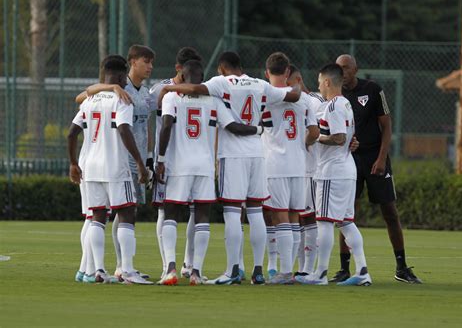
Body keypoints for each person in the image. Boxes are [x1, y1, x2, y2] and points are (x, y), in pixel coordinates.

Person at [159, 51, 301, 285]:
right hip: (258, 153)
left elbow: (194, 89)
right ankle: (258, 271)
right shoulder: (260, 84)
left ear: (222, 68)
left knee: (233, 211)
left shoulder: (220, 83)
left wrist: (168, 89)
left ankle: (233, 269)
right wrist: (296, 87)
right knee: (256, 212)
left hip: (233, 155)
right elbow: (293, 96)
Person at [334, 54, 422, 284]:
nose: (342, 72)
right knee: (346, 213)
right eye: (338, 68)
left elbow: (386, 125)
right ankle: (343, 268)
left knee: (390, 212)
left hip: (375, 157)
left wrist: (382, 158)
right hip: (348, 159)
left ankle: (401, 267)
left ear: (355, 69)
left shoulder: (372, 89)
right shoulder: (333, 94)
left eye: (346, 68)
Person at [67, 55, 152, 285]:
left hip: (90, 167)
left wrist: (74, 163)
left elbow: (72, 133)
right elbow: (124, 130)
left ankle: (98, 271)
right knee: (126, 213)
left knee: (97, 217)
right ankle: (127, 270)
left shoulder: (89, 100)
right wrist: (141, 164)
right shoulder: (121, 99)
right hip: (115, 166)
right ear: (123, 74)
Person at [296, 63, 371, 286]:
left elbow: (338, 138)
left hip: (332, 171)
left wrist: (317, 138)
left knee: (325, 222)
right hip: (346, 170)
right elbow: (345, 138)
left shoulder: (334, 106)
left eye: (320, 81)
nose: (319, 85)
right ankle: (363, 271)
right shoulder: (346, 103)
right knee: (346, 222)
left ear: (327, 82)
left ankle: (320, 274)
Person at [262, 53, 319, 284]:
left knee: (280, 217)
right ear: (287, 72)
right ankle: (294, 270)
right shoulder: (304, 99)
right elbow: (314, 132)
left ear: (267, 73)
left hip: (275, 164)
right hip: (299, 165)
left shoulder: (265, 96)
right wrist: (300, 144)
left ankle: (284, 271)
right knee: (295, 217)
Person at [149, 47, 203, 280]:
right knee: (164, 209)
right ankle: (166, 265)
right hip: (167, 159)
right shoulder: (161, 89)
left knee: (193, 210)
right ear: (178, 69)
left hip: (186, 160)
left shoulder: (199, 89)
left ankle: (188, 264)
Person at [286, 64, 326, 277]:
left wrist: (301, 144)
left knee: (309, 217)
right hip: (294, 168)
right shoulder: (290, 101)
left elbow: (319, 132)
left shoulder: (315, 101)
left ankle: (309, 268)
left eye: (288, 83)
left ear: (298, 80)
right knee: (298, 217)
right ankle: (301, 268)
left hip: (311, 167)